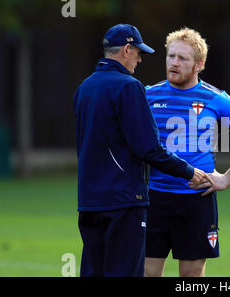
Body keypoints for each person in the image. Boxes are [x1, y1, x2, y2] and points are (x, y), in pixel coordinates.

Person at [73, 24, 210, 277]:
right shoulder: (129, 86)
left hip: (88, 202)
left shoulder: (84, 88)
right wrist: (189, 171)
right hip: (123, 202)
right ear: (127, 49)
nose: (139, 59)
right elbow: (149, 148)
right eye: (138, 52)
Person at [144, 27, 230, 277]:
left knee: (191, 275)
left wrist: (227, 178)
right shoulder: (147, 95)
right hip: (153, 198)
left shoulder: (216, 99)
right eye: (171, 56)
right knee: (146, 272)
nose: (174, 63)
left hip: (196, 200)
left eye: (183, 58)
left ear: (199, 64)